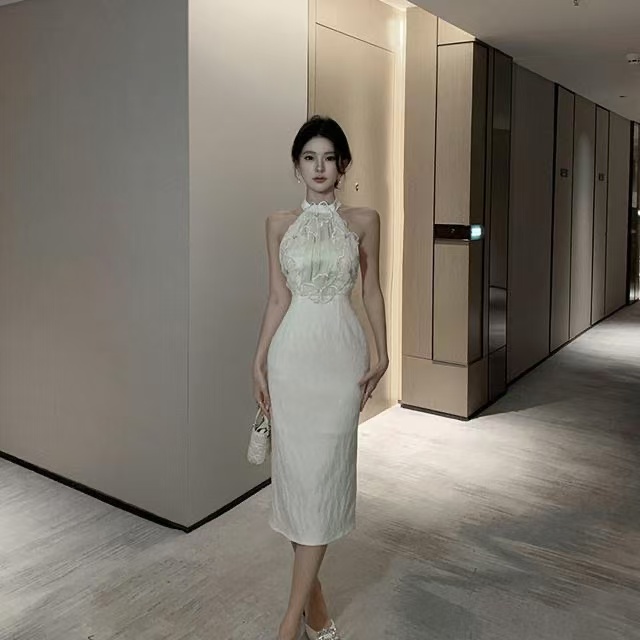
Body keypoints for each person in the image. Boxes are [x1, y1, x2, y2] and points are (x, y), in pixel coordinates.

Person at [252, 115, 389, 640]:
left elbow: (371, 291)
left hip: (340, 362)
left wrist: (382, 353)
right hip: (291, 359)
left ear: (343, 165)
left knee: (323, 478)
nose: (319, 167)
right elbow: (277, 298)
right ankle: (315, 611)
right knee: (298, 482)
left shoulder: (364, 220)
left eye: (329, 158)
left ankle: (288, 624)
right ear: (296, 165)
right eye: (309, 157)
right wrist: (258, 359)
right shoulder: (277, 223)